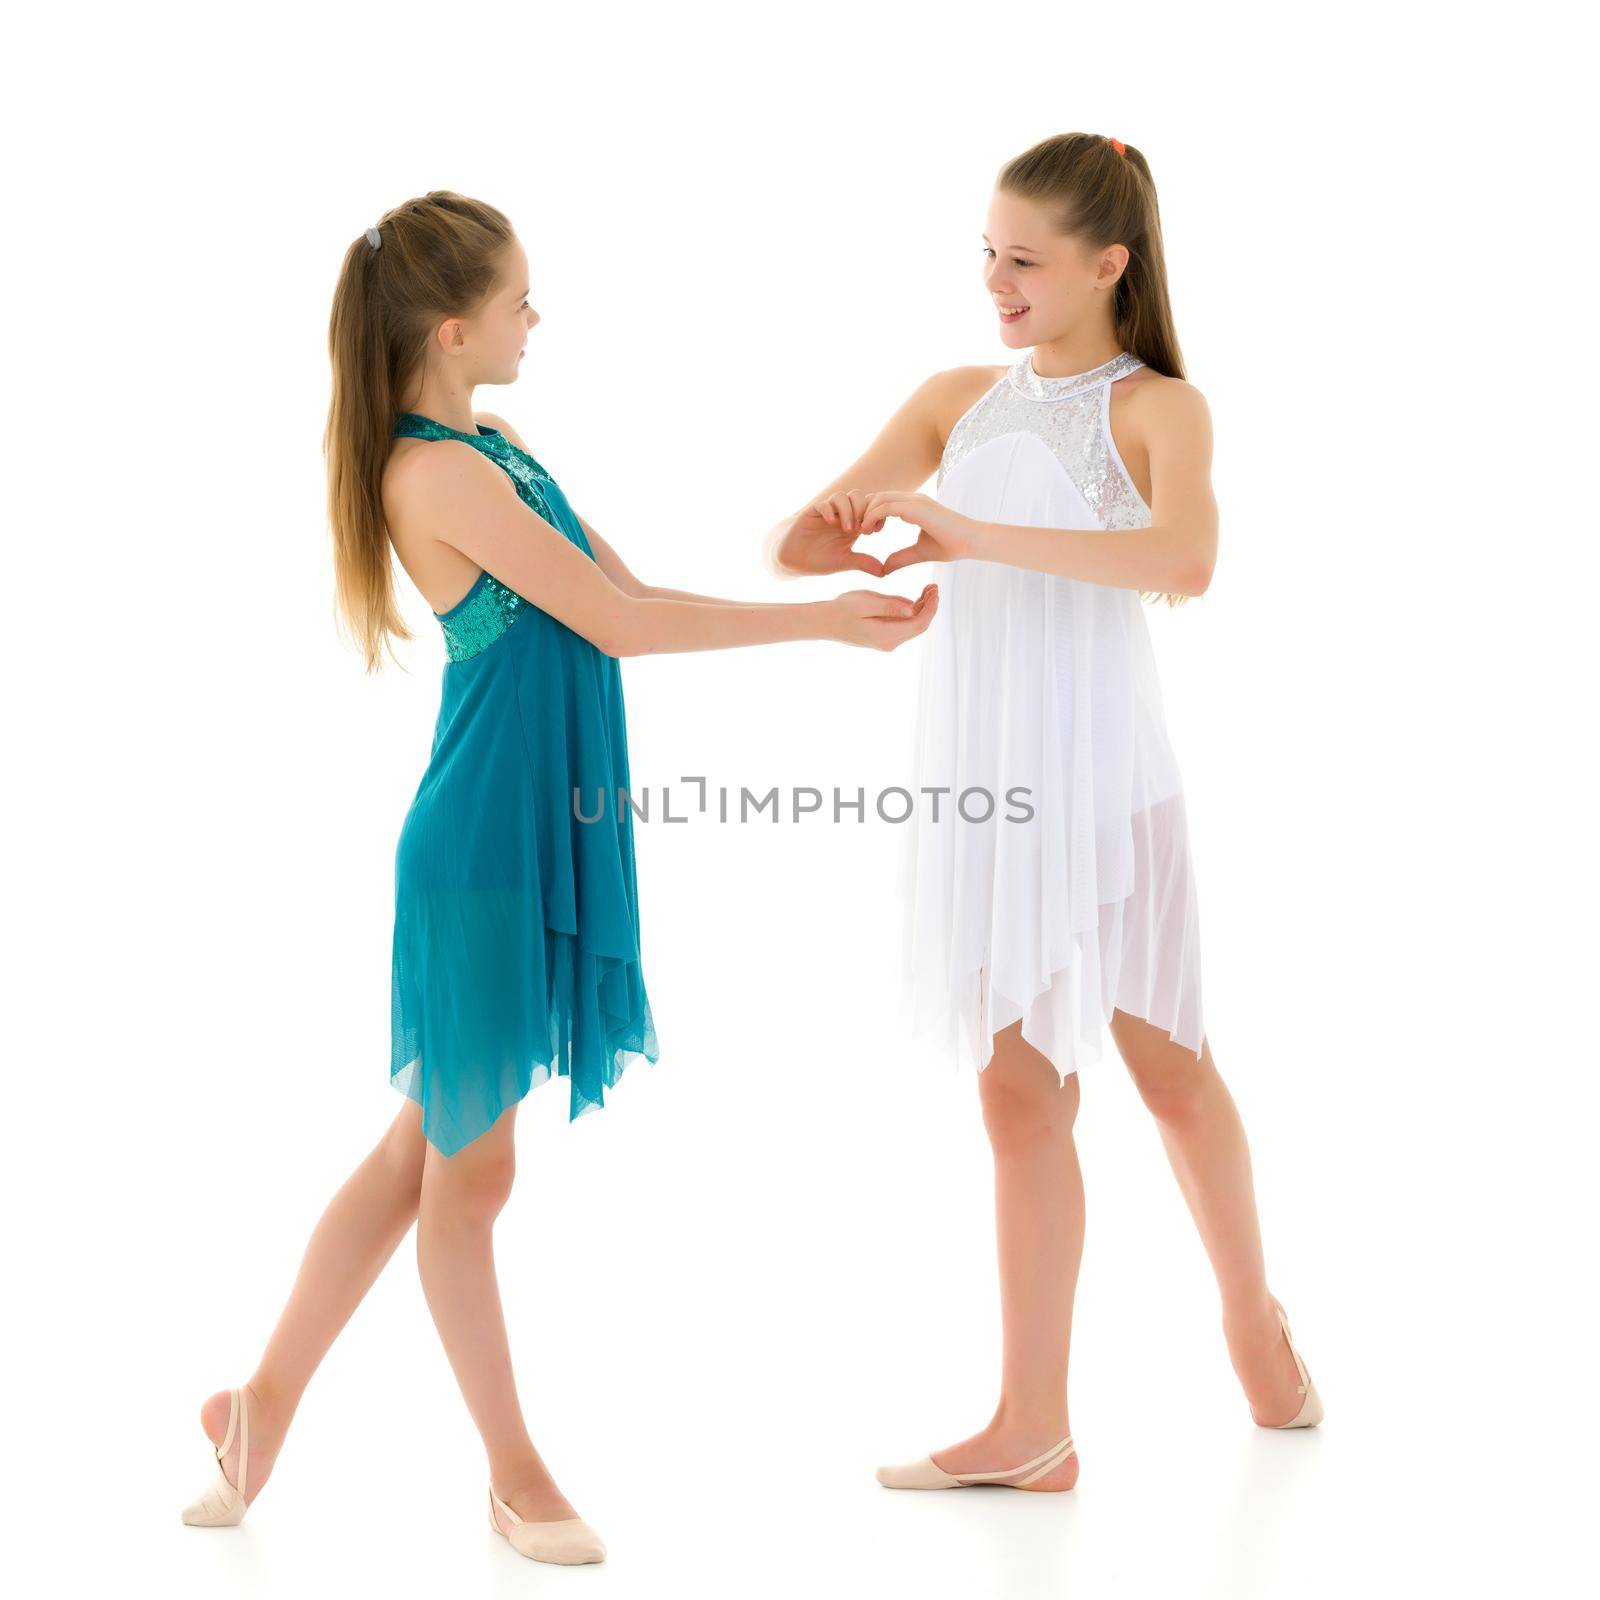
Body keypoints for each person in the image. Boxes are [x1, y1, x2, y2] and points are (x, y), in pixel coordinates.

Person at [179, 190, 937, 1562]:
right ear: (457, 328)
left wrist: (814, 608)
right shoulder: (437, 474)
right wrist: (820, 623)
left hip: (529, 831)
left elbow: (630, 600)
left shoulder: (506, 448)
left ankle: (257, 1409)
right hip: (478, 854)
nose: (541, 319)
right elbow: (621, 629)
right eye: (524, 300)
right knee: (469, 1180)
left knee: (422, 1154)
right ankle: (515, 1475)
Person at [766, 133, 1322, 1496]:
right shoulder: (957, 396)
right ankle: (1035, 1424)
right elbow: (796, 543)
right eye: (988, 255)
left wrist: (966, 533)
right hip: (983, 785)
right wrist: (840, 527)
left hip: (1107, 779)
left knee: (1171, 1073)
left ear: (1106, 265)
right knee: (1017, 1097)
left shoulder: (1160, 409)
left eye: (1024, 260)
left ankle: (1253, 1316)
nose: (997, 282)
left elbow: (1181, 560)